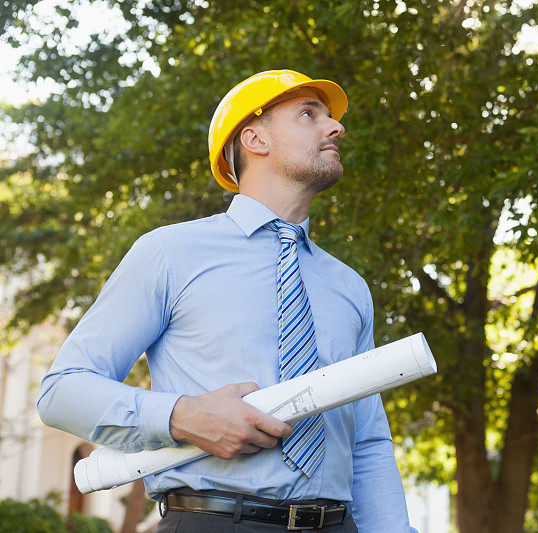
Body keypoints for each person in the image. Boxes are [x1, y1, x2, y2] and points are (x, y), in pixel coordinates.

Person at [37, 69, 415, 532]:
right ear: (255, 138)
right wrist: (182, 416)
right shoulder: (169, 254)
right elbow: (63, 390)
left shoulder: (349, 286)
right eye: (308, 114)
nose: (335, 128)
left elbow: (369, 441)